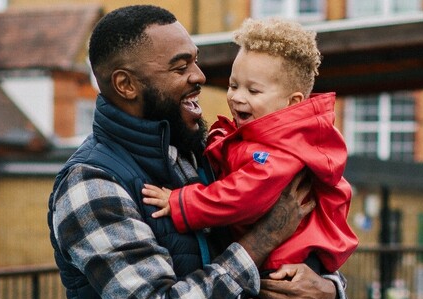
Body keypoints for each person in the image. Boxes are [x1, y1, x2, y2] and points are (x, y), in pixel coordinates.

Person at [47, 5, 347, 299]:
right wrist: (263, 238)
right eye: (180, 68)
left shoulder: (198, 152)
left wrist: (330, 293)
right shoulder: (92, 183)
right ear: (126, 85)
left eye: (196, 61)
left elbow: (301, 240)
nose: (200, 76)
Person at [143, 17, 358, 275]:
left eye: (254, 91)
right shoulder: (260, 137)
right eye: (233, 85)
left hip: (281, 264)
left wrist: (182, 203)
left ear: (292, 102)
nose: (237, 97)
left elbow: (241, 197)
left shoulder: (282, 150)